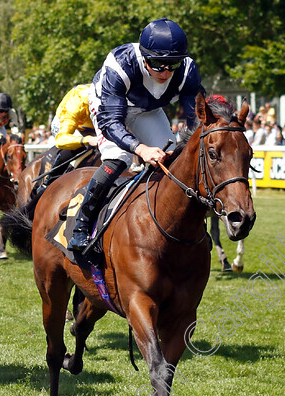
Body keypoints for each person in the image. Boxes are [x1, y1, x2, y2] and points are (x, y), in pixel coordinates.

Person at [69, 17, 202, 251]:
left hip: (146, 109)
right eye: (157, 64)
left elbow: (196, 124)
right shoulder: (120, 64)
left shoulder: (188, 70)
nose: (165, 72)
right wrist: (140, 148)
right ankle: (81, 224)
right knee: (118, 158)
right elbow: (111, 122)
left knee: (173, 160)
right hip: (109, 107)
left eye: (172, 64)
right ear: (143, 56)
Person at [34, 83, 99, 197]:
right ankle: (48, 183)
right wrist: (87, 140)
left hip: (92, 127)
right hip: (66, 123)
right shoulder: (78, 99)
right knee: (78, 146)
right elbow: (61, 140)